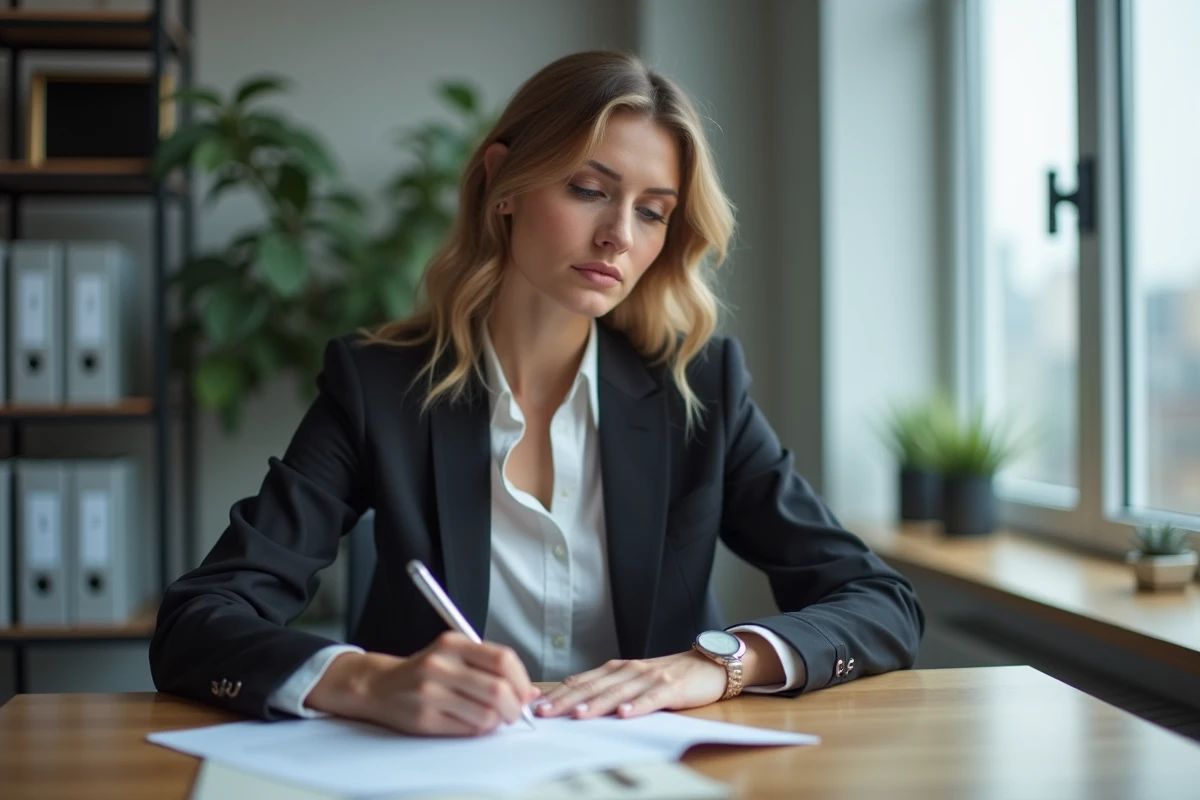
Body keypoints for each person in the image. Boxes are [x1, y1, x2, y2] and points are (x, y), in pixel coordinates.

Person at [149, 50, 924, 737]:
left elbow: (880, 602)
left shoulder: (702, 391)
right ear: (503, 185)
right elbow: (199, 623)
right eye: (590, 189)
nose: (620, 235)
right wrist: (369, 680)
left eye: (653, 212)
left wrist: (716, 663)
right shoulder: (378, 386)